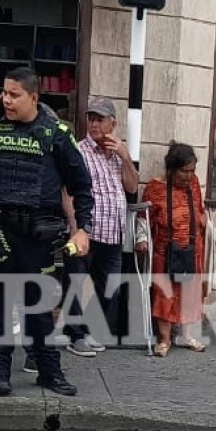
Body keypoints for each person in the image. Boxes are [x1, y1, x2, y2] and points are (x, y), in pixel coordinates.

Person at [0, 66, 92, 397]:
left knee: (40, 309)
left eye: (15, 94)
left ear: (34, 97)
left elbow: (81, 186)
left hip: (39, 237)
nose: (7, 100)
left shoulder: (56, 133)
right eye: (4, 93)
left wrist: (83, 229)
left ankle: (49, 373)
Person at [62, 95, 139, 355]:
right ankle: (75, 336)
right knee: (78, 282)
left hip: (113, 231)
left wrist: (126, 158)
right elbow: (68, 191)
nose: (94, 125)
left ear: (112, 124)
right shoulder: (79, 151)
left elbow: (131, 187)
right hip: (88, 229)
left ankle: (90, 331)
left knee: (108, 286)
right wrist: (75, 228)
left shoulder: (117, 153)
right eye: (91, 119)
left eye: (99, 120)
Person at [136, 142, 216, 356]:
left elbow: (200, 213)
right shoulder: (156, 188)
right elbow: (143, 219)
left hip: (193, 247)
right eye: (184, 171)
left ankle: (186, 335)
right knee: (165, 293)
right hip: (165, 249)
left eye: (192, 171)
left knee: (191, 292)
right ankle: (164, 340)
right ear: (171, 169)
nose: (189, 176)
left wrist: (215, 234)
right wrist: (142, 239)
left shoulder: (194, 186)